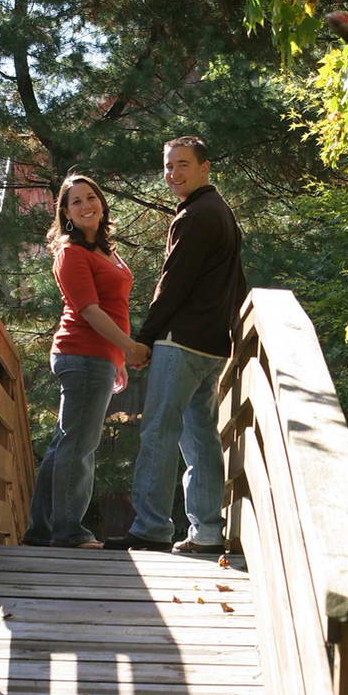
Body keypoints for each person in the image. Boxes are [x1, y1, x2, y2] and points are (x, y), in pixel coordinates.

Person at [106, 136, 246, 554]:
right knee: (199, 436)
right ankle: (205, 531)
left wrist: (145, 339)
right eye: (168, 166)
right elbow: (235, 284)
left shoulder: (196, 215)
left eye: (183, 165)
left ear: (205, 168)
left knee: (159, 433)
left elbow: (173, 284)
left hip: (181, 341)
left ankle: (150, 528)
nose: (173, 174)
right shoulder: (221, 213)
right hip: (210, 344)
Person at [22, 174, 149, 549]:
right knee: (80, 445)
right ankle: (68, 530)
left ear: (102, 203)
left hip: (99, 357)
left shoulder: (106, 250)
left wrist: (118, 359)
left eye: (91, 197)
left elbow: (116, 307)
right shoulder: (72, 254)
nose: (86, 205)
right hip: (80, 353)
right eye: (75, 201)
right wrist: (129, 347)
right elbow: (90, 311)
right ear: (65, 213)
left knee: (67, 442)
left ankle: (41, 530)